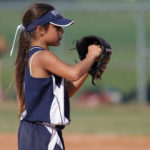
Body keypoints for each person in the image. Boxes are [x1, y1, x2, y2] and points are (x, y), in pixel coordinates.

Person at [11, 3, 109, 150]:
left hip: (39, 132)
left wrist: (89, 67)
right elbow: (73, 73)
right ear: (40, 30)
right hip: (41, 134)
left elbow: (66, 91)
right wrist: (90, 57)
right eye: (57, 27)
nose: (61, 32)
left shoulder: (37, 55)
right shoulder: (42, 56)